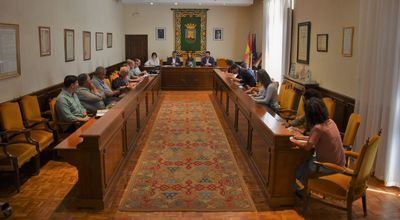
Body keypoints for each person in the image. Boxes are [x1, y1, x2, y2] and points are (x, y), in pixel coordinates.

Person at [290, 97, 345, 196]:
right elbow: (315, 139)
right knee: (304, 162)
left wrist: (293, 141)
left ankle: (300, 191)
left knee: (298, 166)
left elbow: (307, 147)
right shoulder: (330, 122)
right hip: (339, 163)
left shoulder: (318, 128)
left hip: (328, 166)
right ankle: (302, 189)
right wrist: (299, 138)